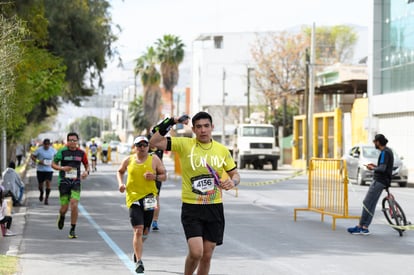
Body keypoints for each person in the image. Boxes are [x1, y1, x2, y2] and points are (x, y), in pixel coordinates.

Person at [149, 112, 241, 275]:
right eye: (198, 127)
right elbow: (154, 141)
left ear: (212, 127)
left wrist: (232, 182)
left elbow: (235, 174)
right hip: (192, 208)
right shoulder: (184, 144)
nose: (203, 130)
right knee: (196, 252)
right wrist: (172, 121)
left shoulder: (222, 150)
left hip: (214, 208)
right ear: (193, 129)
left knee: (206, 256)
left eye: (206, 126)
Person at [116, 136, 167, 274]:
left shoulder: (154, 159)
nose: (142, 147)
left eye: (145, 145)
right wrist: (121, 184)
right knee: (138, 230)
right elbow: (120, 171)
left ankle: (137, 249)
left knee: (145, 231)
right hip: (134, 198)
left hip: (149, 198)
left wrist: (155, 177)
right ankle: (139, 261)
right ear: (135, 147)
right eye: (139, 145)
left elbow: (164, 176)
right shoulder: (129, 160)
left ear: (148, 146)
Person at [347, 134, 394, 235]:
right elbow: (383, 166)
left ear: (378, 142)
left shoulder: (384, 153)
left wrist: (372, 168)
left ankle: (361, 227)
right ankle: (364, 226)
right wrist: (375, 166)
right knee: (371, 204)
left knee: (367, 203)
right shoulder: (388, 151)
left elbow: (382, 169)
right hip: (383, 181)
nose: (374, 144)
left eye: (374, 142)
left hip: (379, 181)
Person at [52, 132, 90, 239]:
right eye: (70, 140)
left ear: (78, 141)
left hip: (76, 182)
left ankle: (72, 229)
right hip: (64, 182)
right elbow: (53, 164)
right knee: (64, 208)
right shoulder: (62, 152)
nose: (72, 142)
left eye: (74, 140)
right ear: (67, 141)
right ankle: (62, 216)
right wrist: (62, 168)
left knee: (74, 204)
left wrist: (86, 172)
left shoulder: (81, 153)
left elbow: (87, 165)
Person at [31, 138, 57, 205]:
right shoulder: (39, 150)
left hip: (49, 170)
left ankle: (46, 198)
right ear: (43, 144)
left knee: (48, 183)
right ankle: (41, 192)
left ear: (49, 144)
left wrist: (55, 162)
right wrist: (38, 161)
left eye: (48, 144)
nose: (46, 146)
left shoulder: (53, 150)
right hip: (40, 170)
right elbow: (32, 156)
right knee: (40, 185)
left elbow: (57, 157)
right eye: (45, 144)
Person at [150, 145, 164, 231]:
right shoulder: (144, 145)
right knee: (149, 198)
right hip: (146, 175)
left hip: (156, 176)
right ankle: (147, 219)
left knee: (155, 198)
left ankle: (154, 221)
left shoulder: (160, 147)